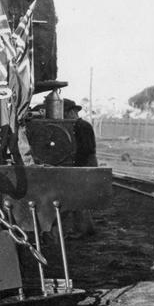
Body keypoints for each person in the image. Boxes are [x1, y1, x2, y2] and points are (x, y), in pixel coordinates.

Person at [63, 98, 97, 237]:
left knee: (80, 198)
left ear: (72, 112)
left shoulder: (82, 126)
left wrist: (74, 163)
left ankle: (83, 230)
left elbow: (85, 148)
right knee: (78, 198)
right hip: (81, 163)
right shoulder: (77, 126)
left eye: (65, 113)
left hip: (85, 163)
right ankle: (83, 228)